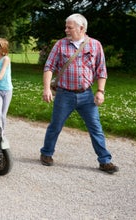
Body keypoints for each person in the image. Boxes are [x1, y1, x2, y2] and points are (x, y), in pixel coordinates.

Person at [40, 13, 119, 174]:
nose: (66, 30)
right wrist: (47, 88)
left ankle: (105, 161)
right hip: (64, 94)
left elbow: (101, 70)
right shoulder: (60, 45)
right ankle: (46, 153)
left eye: (69, 27)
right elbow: (49, 67)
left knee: (95, 128)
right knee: (55, 126)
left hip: (86, 95)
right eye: (66, 27)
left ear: (81, 28)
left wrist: (100, 91)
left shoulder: (95, 45)